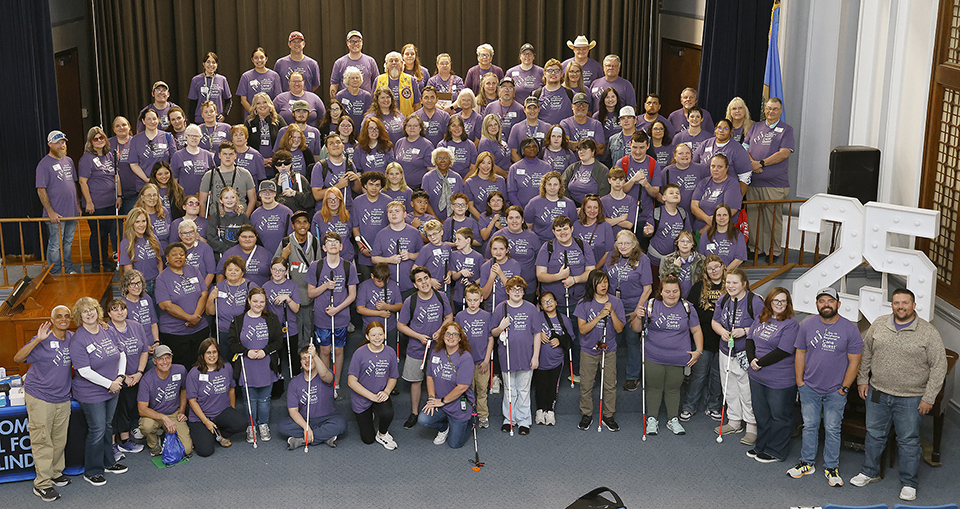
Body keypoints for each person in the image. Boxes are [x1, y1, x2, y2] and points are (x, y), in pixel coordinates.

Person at [850, 288, 948, 501]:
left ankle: (909, 483)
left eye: (905, 303)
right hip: (877, 392)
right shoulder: (879, 324)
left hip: (911, 398)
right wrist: (862, 379)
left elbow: (939, 366)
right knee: (874, 435)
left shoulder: (928, 332)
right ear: (892, 305)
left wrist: (929, 397)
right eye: (896, 303)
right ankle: (870, 472)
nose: (900, 307)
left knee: (908, 441)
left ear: (914, 305)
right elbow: (866, 352)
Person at [788, 287, 863, 487]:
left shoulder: (849, 329)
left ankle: (831, 467)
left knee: (832, 429)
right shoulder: (807, 324)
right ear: (817, 305)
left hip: (835, 390)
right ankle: (807, 463)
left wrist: (844, 388)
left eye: (830, 300)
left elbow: (855, 362)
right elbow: (800, 353)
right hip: (809, 387)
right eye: (822, 301)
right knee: (809, 426)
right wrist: (800, 382)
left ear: (838, 304)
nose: (826, 304)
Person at [16, 305, 74, 501]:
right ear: (52, 320)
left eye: (67, 316)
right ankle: (42, 484)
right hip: (40, 397)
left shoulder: (72, 338)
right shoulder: (43, 338)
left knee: (59, 439)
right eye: (59, 316)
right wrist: (37, 340)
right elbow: (18, 357)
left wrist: (102, 324)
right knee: (42, 441)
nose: (63, 319)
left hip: (62, 398)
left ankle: (55, 473)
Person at [634, 276, 703, 435]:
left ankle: (673, 419)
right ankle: (652, 419)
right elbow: (637, 329)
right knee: (654, 387)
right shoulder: (651, 305)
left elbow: (696, 330)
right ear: (661, 292)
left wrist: (698, 350)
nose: (671, 295)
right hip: (653, 355)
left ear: (680, 291)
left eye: (675, 291)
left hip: (678, 357)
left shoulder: (687, 307)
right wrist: (638, 317)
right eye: (668, 291)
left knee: (673, 388)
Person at [70, 297, 128, 485]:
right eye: (84, 311)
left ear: (98, 311)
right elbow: (84, 371)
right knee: (97, 430)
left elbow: (121, 353)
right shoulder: (78, 339)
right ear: (79, 316)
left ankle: (108, 462)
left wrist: (120, 377)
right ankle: (92, 471)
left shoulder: (107, 330)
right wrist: (110, 384)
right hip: (91, 393)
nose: (89, 314)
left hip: (113, 388)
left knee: (108, 426)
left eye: (92, 309)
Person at [746, 287, 799, 463]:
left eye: (783, 301)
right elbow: (749, 339)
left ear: (788, 303)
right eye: (776, 300)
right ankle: (762, 445)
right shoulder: (760, 318)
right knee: (761, 413)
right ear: (769, 301)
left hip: (779, 379)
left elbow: (784, 350)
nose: (779, 304)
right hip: (757, 376)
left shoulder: (791, 323)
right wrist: (752, 359)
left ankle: (776, 451)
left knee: (779, 415)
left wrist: (759, 363)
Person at [711, 268, 764, 444]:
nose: (730, 286)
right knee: (729, 386)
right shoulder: (723, 299)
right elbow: (715, 321)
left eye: (735, 283)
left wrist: (745, 331)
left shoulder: (754, 301)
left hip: (745, 351)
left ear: (744, 284)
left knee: (746, 390)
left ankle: (751, 426)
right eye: (728, 282)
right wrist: (722, 332)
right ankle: (734, 421)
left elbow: (764, 324)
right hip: (726, 350)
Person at [397, 266, 454, 429]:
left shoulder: (441, 296)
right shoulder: (410, 301)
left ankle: (440, 410)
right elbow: (401, 325)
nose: (424, 283)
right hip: (416, 348)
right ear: (415, 285)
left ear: (430, 279)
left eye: (426, 278)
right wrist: (418, 336)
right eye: (419, 280)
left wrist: (440, 330)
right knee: (416, 381)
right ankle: (414, 413)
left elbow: (449, 316)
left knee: (440, 380)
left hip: (438, 348)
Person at [227, 287, 283, 443]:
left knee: (265, 399)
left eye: (262, 302)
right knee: (249, 400)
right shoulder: (238, 320)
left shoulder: (272, 318)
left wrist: (266, 351)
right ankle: (251, 426)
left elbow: (279, 341)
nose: (258, 304)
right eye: (255, 301)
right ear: (249, 301)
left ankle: (263, 424)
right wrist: (246, 352)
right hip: (247, 365)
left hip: (266, 364)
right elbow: (231, 342)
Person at [490, 276, 543, 435]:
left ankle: (524, 421)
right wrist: (501, 327)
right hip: (507, 357)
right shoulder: (501, 308)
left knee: (524, 390)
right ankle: (509, 420)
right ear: (507, 291)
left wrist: (535, 356)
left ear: (524, 291)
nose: (517, 292)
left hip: (526, 356)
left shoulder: (531, 308)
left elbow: (537, 333)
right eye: (513, 289)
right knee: (509, 390)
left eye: (520, 289)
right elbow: (493, 332)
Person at [307, 232, 359, 393]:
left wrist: (337, 309)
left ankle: (336, 383)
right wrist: (325, 286)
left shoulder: (348, 266)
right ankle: (326, 381)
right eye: (329, 242)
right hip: (322, 317)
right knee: (324, 350)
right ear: (324, 247)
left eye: (336, 242)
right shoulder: (316, 266)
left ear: (341, 246)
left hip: (340, 316)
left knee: (338, 350)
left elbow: (352, 295)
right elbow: (311, 293)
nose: (333, 244)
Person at [745, 98, 795, 261]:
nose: (771, 112)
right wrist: (752, 164)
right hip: (753, 182)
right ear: (764, 110)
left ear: (780, 111)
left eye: (774, 109)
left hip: (775, 184)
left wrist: (760, 163)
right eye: (768, 108)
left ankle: (773, 251)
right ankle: (755, 248)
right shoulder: (755, 126)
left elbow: (784, 153)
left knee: (772, 219)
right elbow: (744, 147)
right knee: (754, 218)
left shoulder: (786, 130)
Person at [575, 269, 625, 431]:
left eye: (605, 282)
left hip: (608, 350)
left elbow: (619, 329)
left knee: (610, 385)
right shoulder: (583, 303)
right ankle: (587, 414)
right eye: (599, 283)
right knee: (586, 384)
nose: (603, 285)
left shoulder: (615, 302)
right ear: (592, 284)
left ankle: (608, 415)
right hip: (588, 350)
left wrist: (612, 312)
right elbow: (582, 329)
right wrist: (599, 316)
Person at [606, 230, 653, 390]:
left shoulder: (643, 259)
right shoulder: (611, 257)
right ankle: (610, 375)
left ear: (634, 244)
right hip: (614, 308)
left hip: (634, 307)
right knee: (612, 342)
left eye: (627, 243)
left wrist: (637, 311)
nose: (623, 246)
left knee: (632, 341)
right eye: (620, 243)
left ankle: (632, 376)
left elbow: (647, 289)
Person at [680, 254, 725, 422]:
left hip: (723, 341)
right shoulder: (698, 287)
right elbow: (691, 313)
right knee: (698, 376)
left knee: (717, 376)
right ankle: (689, 406)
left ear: (722, 267)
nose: (714, 271)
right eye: (710, 268)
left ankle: (713, 406)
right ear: (705, 271)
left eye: (717, 267)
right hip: (703, 340)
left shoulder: (730, 285)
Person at [417, 322, 475, 448]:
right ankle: (444, 428)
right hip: (440, 402)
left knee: (454, 444)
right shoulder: (436, 352)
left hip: (458, 405)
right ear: (443, 336)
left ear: (460, 338)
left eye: (455, 334)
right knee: (423, 419)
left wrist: (442, 401)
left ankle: (469, 422)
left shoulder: (465, 357)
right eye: (447, 333)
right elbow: (430, 376)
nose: (451, 337)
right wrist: (432, 398)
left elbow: (462, 387)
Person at [186, 338, 246, 456]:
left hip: (221, 412)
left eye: (214, 352)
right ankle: (210, 433)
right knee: (206, 451)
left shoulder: (226, 367)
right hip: (201, 417)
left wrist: (232, 410)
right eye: (208, 352)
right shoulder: (194, 373)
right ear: (202, 356)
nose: (212, 355)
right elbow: (192, 401)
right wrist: (206, 422)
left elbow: (231, 389)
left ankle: (217, 431)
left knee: (241, 423)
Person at [106, 299, 151, 456]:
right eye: (115, 309)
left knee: (127, 409)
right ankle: (112, 445)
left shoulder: (137, 326)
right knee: (113, 413)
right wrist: (123, 376)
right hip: (114, 379)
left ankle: (124, 441)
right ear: (109, 313)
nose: (120, 312)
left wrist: (139, 373)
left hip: (134, 378)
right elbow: (107, 356)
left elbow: (144, 350)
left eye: (122, 308)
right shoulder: (105, 329)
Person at [281, 344, 347, 450]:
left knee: (340, 424)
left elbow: (325, 375)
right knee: (283, 426)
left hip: (327, 418)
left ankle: (302, 440)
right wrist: (306, 427)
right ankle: (324, 437)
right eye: (304, 358)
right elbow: (293, 411)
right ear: (300, 362)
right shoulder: (294, 382)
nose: (307, 361)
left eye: (310, 357)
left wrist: (315, 355)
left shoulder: (326, 374)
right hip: (304, 420)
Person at [347, 321, 400, 450]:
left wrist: (386, 392)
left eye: (380, 334)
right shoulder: (359, 353)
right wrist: (371, 396)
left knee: (387, 414)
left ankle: (382, 434)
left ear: (384, 335)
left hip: (380, 393)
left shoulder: (390, 352)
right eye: (373, 335)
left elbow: (393, 377)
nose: (377, 338)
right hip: (362, 397)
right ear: (367, 336)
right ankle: (369, 413)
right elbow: (351, 381)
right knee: (368, 439)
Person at [156, 243, 210, 368]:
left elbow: (204, 293)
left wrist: (196, 316)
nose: (178, 257)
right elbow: (166, 305)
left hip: (199, 329)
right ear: (167, 258)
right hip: (175, 333)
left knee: (201, 366)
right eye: (174, 255)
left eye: (181, 254)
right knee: (181, 369)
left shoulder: (194, 270)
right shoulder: (162, 278)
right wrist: (189, 318)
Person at [137, 344, 193, 458]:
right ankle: (154, 443)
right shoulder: (147, 379)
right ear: (154, 361)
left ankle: (167, 431)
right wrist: (163, 417)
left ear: (172, 358)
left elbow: (184, 389)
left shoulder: (180, 370)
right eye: (161, 359)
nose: (165, 362)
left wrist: (181, 411)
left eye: (168, 357)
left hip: (174, 413)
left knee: (187, 450)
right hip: (154, 415)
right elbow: (142, 409)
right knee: (146, 426)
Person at [276, 210, 322, 345]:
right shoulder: (286, 242)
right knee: (293, 330)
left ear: (309, 225)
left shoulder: (314, 242)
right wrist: (283, 256)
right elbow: (275, 267)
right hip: (292, 295)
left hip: (309, 295)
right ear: (293, 225)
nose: (302, 225)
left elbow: (319, 267)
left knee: (308, 329)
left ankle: (307, 356)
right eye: (298, 222)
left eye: (305, 222)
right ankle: (296, 356)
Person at [37, 130, 80, 275]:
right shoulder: (43, 165)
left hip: (71, 212)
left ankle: (67, 270)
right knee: (55, 244)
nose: (62, 145)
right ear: (50, 144)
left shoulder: (69, 161)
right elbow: (41, 190)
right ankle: (55, 273)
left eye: (63, 142)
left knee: (67, 243)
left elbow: (73, 184)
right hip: (56, 214)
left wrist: (77, 205)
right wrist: (50, 212)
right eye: (58, 143)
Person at [78, 126, 120, 272]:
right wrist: (89, 202)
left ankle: (105, 260)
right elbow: (82, 182)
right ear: (90, 142)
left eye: (101, 137)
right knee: (97, 234)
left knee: (105, 233)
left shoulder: (109, 155)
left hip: (110, 202)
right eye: (95, 139)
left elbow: (115, 176)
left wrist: (118, 196)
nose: (99, 140)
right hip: (95, 205)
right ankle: (97, 264)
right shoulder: (86, 159)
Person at [456, 283, 494, 428]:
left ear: (481, 299)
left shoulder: (486, 316)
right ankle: (468, 415)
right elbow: (456, 340)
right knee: (467, 390)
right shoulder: (460, 316)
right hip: (465, 363)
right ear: (465, 299)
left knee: (482, 390)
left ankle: (483, 416)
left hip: (482, 362)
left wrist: (486, 360)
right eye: (470, 300)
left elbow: (490, 339)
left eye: (476, 300)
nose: (473, 303)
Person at [536, 291, 573, 426]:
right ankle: (540, 410)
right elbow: (528, 333)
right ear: (540, 306)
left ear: (556, 302)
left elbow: (570, 339)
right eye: (545, 302)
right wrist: (538, 334)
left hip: (556, 361)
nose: (548, 304)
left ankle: (550, 411)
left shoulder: (564, 319)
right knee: (540, 386)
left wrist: (559, 340)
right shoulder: (537, 317)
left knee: (552, 386)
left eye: (551, 300)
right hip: (539, 360)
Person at [198, 141, 257, 218]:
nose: (228, 157)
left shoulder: (245, 174)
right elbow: (202, 202)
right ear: (219, 155)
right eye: (225, 154)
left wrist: (245, 218)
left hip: (239, 218)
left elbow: (253, 199)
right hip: (216, 219)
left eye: (231, 154)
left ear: (235, 156)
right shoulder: (209, 175)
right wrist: (203, 222)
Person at [693, 119, 753, 194]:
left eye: (726, 128)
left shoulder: (737, 149)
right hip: (704, 191)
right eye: (719, 128)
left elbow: (745, 176)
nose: (721, 131)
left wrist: (738, 197)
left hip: (727, 192)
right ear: (715, 130)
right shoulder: (705, 144)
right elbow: (694, 167)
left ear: (731, 131)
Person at [356, 263, 403, 354]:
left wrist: (387, 307)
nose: (382, 284)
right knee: (369, 354)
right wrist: (380, 313)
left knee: (389, 353)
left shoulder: (393, 285)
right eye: (379, 281)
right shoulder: (364, 286)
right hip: (370, 327)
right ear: (372, 276)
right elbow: (360, 309)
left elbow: (400, 306)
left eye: (385, 281)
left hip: (389, 327)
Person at [118, 207, 164, 298]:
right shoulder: (126, 243)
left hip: (156, 282)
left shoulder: (153, 238)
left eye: (143, 221)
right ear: (132, 224)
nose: (141, 225)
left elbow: (159, 261)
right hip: (140, 286)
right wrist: (137, 286)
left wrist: (160, 280)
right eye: (137, 222)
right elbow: (129, 271)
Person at [691, 154, 742, 234]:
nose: (715, 169)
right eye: (713, 166)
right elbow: (694, 206)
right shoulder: (704, 182)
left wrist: (706, 229)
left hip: (719, 230)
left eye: (719, 167)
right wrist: (707, 219)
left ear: (726, 168)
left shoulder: (732, 184)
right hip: (698, 229)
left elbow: (730, 210)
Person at [525, 169, 579, 245]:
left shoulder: (569, 204)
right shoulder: (533, 203)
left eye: (555, 184)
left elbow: (573, 226)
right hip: (540, 243)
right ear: (544, 185)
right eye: (549, 184)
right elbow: (528, 227)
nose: (552, 187)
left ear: (560, 186)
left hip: (563, 243)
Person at [643, 184, 691, 268]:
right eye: (671, 193)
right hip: (656, 257)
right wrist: (648, 232)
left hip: (675, 258)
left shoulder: (683, 214)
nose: (675, 195)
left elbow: (688, 234)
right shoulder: (656, 213)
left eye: (677, 193)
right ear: (664, 198)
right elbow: (647, 234)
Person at [659, 142, 709, 217]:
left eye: (687, 153)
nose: (685, 155)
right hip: (675, 215)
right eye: (681, 153)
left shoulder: (701, 169)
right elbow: (658, 193)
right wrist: (670, 204)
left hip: (697, 214)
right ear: (675, 156)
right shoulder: (666, 172)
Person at [244, 93, 287, 173]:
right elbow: (245, 143)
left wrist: (275, 159)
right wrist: (260, 160)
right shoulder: (249, 122)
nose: (262, 105)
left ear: (270, 104)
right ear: (255, 107)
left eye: (264, 102)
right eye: (258, 103)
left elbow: (286, 140)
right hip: (255, 163)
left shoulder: (278, 120)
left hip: (276, 164)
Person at [561, 139, 610, 206]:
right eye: (579, 149)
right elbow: (562, 185)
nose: (581, 152)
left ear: (593, 151)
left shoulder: (603, 170)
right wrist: (571, 204)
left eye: (585, 149)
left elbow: (603, 193)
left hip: (593, 207)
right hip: (572, 205)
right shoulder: (572, 168)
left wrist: (588, 207)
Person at [507, 137, 553, 208]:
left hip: (542, 208)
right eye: (528, 147)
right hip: (520, 209)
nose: (532, 149)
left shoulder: (547, 167)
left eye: (534, 146)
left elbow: (550, 191)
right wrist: (520, 210)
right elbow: (511, 193)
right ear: (522, 149)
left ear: (538, 149)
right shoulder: (514, 168)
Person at [206, 187, 252, 257]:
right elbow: (211, 238)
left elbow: (249, 234)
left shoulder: (243, 217)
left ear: (236, 200)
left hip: (240, 253)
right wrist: (228, 250)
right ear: (221, 200)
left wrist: (240, 249)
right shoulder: (215, 217)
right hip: (222, 255)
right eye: (226, 198)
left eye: (232, 197)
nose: (229, 200)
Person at [480, 235, 522, 312]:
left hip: (510, 307)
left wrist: (500, 273)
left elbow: (515, 290)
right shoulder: (485, 266)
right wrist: (491, 278)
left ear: (507, 250)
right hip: (491, 307)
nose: (498, 252)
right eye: (495, 249)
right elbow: (484, 296)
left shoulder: (514, 265)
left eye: (501, 249)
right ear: (490, 250)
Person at [172, 124, 216, 197]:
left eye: (197, 136)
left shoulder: (207, 155)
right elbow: (174, 179)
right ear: (186, 136)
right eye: (191, 136)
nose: (194, 138)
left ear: (200, 137)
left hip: (203, 197)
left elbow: (213, 177)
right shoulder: (177, 155)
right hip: (184, 197)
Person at [119, 269, 161, 346]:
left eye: (139, 283)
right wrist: (144, 347)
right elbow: (125, 332)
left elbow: (153, 323)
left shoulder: (147, 298)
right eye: (132, 284)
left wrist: (156, 341)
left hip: (152, 344)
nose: (137, 287)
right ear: (126, 286)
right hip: (136, 346)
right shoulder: (122, 304)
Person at [698, 204, 746, 271]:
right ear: (715, 217)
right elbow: (701, 258)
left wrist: (724, 273)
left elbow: (739, 259)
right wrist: (713, 273)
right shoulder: (706, 235)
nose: (721, 218)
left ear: (729, 217)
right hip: (711, 274)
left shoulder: (737, 235)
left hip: (731, 274)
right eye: (719, 215)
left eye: (724, 215)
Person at [658, 230, 704, 299]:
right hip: (673, 298)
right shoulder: (668, 259)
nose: (685, 244)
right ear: (677, 243)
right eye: (682, 241)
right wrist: (675, 267)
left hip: (695, 298)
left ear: (693, 244)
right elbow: (663, 282)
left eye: (688, 241)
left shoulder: (701, 260)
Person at [188, 52, 232, 123]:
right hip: (200, 120)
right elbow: (192, 103)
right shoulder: (196, 80)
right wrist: (192, 122)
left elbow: (229, 101)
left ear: (217, 65)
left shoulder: (222, 80)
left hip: (216, 120)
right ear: (203, 64)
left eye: (213, 62)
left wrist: (224, 114)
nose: (211, 65)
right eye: (208, 62)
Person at [236, 47, 282, 113]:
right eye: (256, 58)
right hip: (251, 116)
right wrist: (254, 114)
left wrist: (268, 113)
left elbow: (277, 98)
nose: (259, 60)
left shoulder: (274, 76)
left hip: (269, 115)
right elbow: (243, 100)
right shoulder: (246, 76)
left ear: (266, 59)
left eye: (262, 57)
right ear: (252, 60)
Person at [251, 180, 292, 253]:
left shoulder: (286, 212)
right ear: (259, 194)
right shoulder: (255, 215)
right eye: (264, 192)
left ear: (275, 194)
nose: (267, 194)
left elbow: (292, 237)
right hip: (262, 255)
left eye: (271, 191)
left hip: (283, 255)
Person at [422, 147, 462, 221]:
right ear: (434, 161)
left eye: (446, 158)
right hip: (432, 219)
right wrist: (437, 221)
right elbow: (424, 201)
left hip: (454, 219)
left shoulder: (457, 177)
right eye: (439, 158)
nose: (442, 161)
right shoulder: (427, 177)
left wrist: (449, 220)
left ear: (450, 160)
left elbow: (460, 201)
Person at [395, 115, 436, 187]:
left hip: (418, 188)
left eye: (415, 126)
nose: (412, 128)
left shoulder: (427, 145)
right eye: (409, 125)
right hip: (400, 186)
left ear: (420, 128)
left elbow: (431, 169)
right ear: (405, 128)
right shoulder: (400, 142)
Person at [376, 51, 421, 117]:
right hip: (383, 119)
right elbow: (374, 103)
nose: (394, 63)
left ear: (402, 63)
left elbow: (417, 104)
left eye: (396, 60)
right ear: (386, 64)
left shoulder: (411, 80)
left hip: (407, 119)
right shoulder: (379, 80)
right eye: (391, 61)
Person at [575, 195, 615, 267]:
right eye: (589, 207)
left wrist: (595, 269)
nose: (592, 210)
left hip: (598, 269)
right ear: (584, 208)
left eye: (595, 207)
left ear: (599, 210)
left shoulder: (606, 226)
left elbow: (609, 252)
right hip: (578, 269)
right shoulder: (576, 225)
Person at [508, 97, 551, 162]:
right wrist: (525, 166)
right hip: (522, 166)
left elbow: (551, 152)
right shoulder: (516, 128)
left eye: (535, 108)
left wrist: (542, 166)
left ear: (539, 109)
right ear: (524, 110)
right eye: (529, 108)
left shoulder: (547, 127)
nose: (532, 111)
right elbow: (513, 153)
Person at [177, 218, 216, 288]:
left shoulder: (205, 248)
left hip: (202, 287)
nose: (188, 235)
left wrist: (203, 291)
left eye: (191, 232)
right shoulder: (175, 249)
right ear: (180, 235)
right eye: (185, 233)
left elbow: (211, 273)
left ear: (196, 233)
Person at [601, 167, 639, 238]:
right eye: (614, 179)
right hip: (607, 239)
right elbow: (603, 223)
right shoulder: (602, 201)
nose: (618, 182)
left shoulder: (631, 200)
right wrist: (622, 218)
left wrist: (610, 220)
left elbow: (629, 225)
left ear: (624, 180)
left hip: (626, 240)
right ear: (609, 180)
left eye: (621, 179)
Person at [110, 116, 138, 214]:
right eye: (117, 126)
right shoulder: (108, 144)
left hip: (133, 192)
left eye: (124, 125)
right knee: (116, 222)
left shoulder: (136, 142)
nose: (121, 128)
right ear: (114, 130)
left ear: (129, 127)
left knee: (133, 220)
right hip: (113, 193)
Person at [463, 151, 504, 217]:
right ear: (478, 165)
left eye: (489, 163)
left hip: (498, 218)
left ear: (492, 165)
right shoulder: (469, 182)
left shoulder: (500, 180)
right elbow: (470, 207)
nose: (486, 166)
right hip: (478, 218)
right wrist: (483, 221)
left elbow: (505, 202)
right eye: (483, 163)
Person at [337, 66, 373, 131]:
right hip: (345, 130)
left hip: (362, 130)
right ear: (347, 80)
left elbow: (369, 115)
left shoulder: (366, 96)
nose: (355, 80)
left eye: (357, 78)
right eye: (352, 78)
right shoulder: (340, 95)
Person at [135, 183, 172, 248]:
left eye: (154, 195)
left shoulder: (164, 211)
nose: (152, 198)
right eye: (149, 195)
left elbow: (171, 233)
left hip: (166, 248)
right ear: (142, 197)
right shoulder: (137, 214)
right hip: (148, 248)